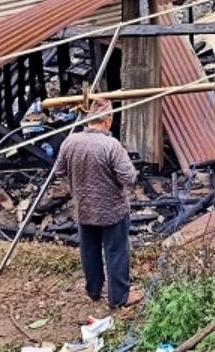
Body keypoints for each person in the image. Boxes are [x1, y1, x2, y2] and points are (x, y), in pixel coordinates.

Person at [56, 99, 142, 308]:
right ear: (108, 120)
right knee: (116, 253)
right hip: (112, 211)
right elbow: (130, 178)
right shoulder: (111, 145)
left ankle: (93, 290)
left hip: (84, 208)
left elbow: (59, 171)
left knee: (89, 251)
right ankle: (119, 297)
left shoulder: (70, 142)